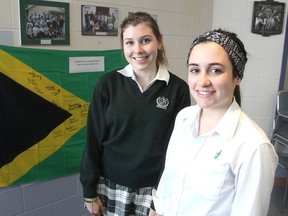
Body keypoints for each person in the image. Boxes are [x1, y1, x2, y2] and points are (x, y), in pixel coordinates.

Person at [151, 29, 278, 216]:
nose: (202, 81)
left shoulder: (253, 146)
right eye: (195, 70)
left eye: (215, 70)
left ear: (237, 77)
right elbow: (169, 181)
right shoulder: (184, 118)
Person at [80, 12, 191, 216]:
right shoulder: (107, 85)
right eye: (129, 42)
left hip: (154, 191)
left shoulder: (178, 89)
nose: (137, 50)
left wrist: (162, 198)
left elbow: (177, 150)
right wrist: (89, 191)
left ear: (159, 41)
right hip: (110, 186)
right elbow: (93, 140)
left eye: (145, 40)